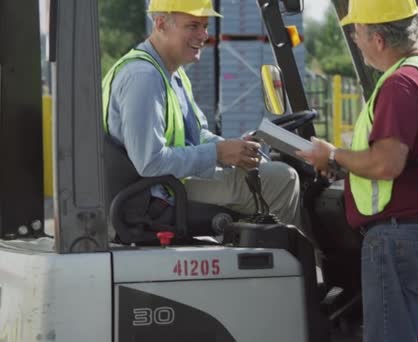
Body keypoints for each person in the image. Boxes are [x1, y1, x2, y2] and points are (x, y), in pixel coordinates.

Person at [297, 0, 418, 341]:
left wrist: (334, 155)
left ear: (378, 39)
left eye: (357, 32)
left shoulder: (399, 84)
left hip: (400, 240)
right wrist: (346, 165)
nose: (356, 41)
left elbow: (385, 163)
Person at [101, 0, 300, 239]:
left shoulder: (173, 74)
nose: (203, 35)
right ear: (161, 24)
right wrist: (217, 153)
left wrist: (233, 148)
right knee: (283, 179)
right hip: (157, 193)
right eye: (193, 25)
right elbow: (150, 162)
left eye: (205, 26)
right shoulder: (143, 78)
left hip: (171, 181)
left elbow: (195, 134)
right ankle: (278, 264)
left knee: (265, 169)